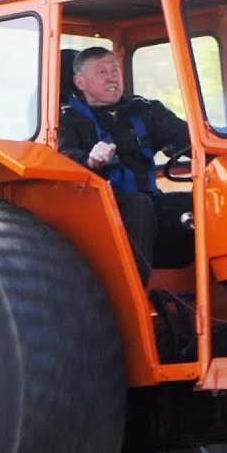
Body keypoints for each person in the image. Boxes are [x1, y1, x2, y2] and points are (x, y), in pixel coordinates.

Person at [57, 47, 193, 283]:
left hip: (148, 200)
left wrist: (219, 147)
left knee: (199, 201)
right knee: (138, 205)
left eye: (115, 70)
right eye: (102, 72)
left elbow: (187, 139)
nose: (112, 77)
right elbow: (61, 155)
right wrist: (90, 160)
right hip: (95, 209)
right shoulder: (64, 119)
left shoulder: (144, 110)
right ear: (80, 82)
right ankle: (131, 297)